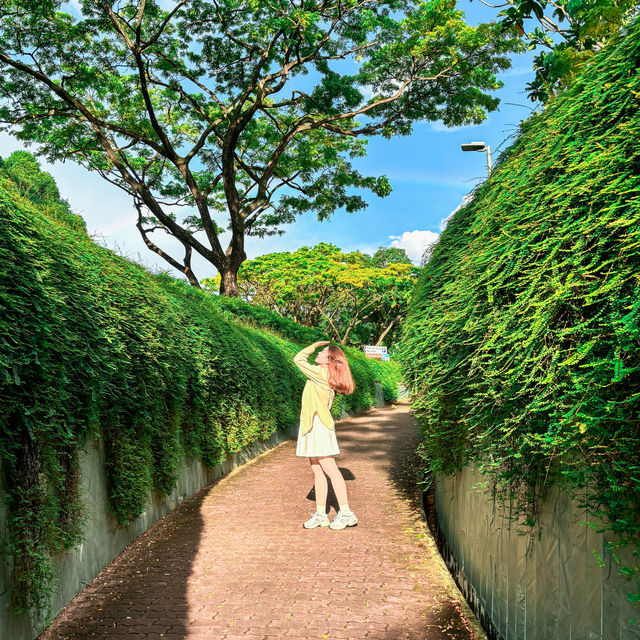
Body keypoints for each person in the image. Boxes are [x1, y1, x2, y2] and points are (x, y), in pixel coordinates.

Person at [293, 340, 357, 530]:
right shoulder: (323, 373)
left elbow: (298, 359)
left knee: (329, 468)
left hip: (319, 425)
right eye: (318, 351)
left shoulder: (321, 374)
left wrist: (311, 346)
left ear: (329, 361)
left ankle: (346, 513)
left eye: (322, 352)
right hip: (312, 425)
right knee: (318, 470)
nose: (318, 353)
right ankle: (321, 514)